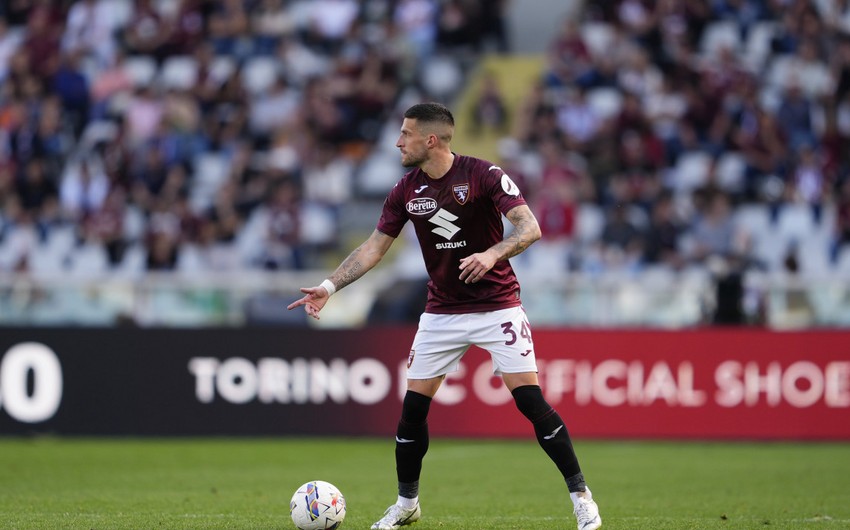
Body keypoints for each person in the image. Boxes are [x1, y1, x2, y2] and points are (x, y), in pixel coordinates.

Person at [287, 102, 602, 530]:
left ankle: (582, 498)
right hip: (441, 312)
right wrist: (328, 287)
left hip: (497, 305)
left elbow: (530, 227)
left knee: (530, 400)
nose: (398, 142)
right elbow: (373, 248)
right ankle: (406, 504)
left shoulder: (484, 175)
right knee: (412, 411)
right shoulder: (405, 189)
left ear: (430, 139)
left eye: (405, 134)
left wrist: (492, 254)